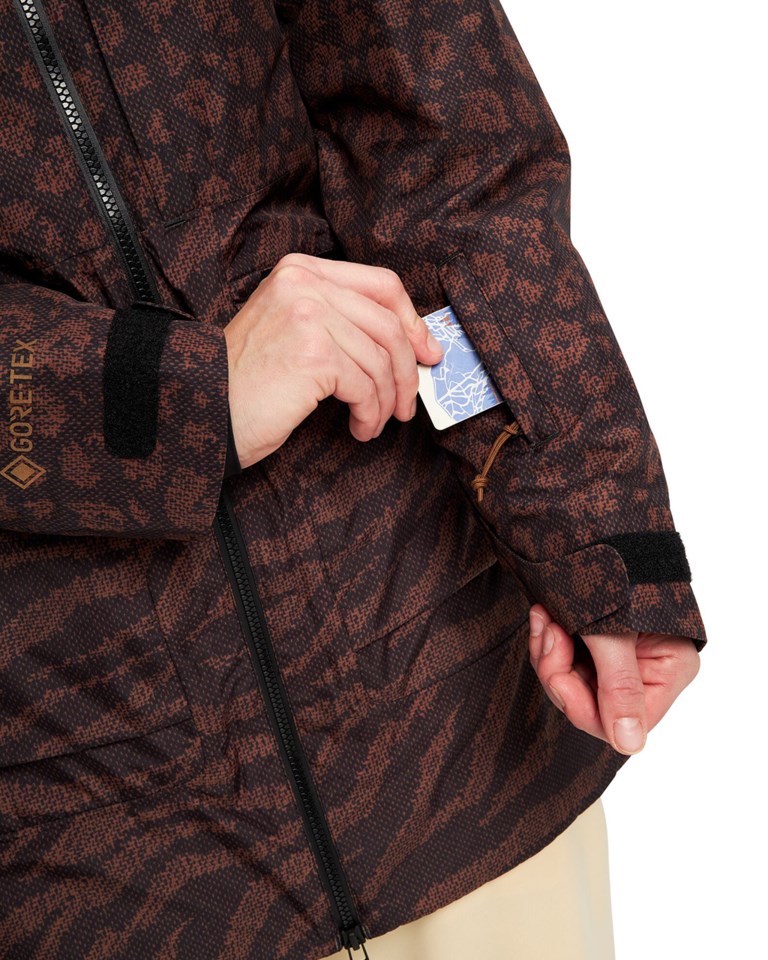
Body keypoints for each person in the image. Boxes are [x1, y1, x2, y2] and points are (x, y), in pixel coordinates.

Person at [0, 1, 707, 958]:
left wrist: (598, 533)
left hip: (459, 730)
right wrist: (175, 396)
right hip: (104, 851)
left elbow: (445, 130)